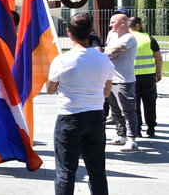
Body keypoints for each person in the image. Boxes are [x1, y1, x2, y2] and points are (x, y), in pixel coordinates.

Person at [47, 13, 114, 195]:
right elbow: (106, 92)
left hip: (70, 117)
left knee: (65, 172)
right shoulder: (103, 59)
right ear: (91, 32)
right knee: (97, 171)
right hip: (95, 117)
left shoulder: (62, 60)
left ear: (68, 32)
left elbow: (51, 89)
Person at [104, 12, 140, 152]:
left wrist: (108, 53)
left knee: (128, 111)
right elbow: (108, 50)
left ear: (123, 23)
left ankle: (132, 140)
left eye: (113, 22)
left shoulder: (129, 38)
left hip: (124, 80)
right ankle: (121, 135)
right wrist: (109, 52)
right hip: (110, 78)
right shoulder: (111, 35)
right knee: (115, 110)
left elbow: (113, 52)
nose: (110, 24)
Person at [128, 17, 162, 137]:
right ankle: (151, 127)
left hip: (132, 76)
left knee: (134, 103)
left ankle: (137, 129)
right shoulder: (149, 38)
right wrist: (158, 73)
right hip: (148, 76)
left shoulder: (126, 39)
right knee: (150, 103)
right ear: (138, 25)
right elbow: (158, 58)